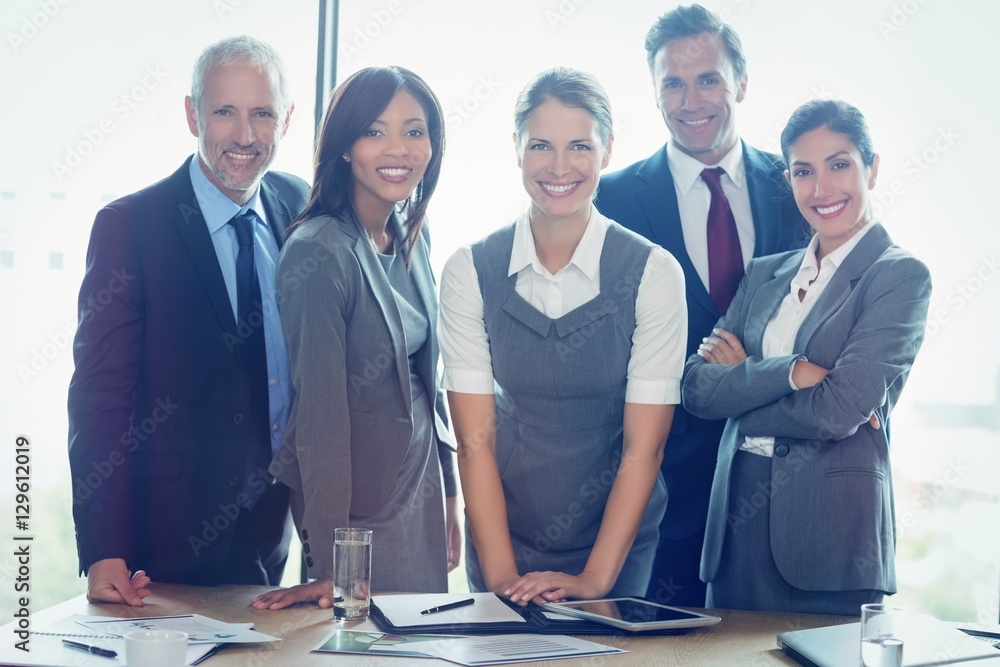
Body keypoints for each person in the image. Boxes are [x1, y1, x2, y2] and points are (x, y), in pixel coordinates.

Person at [68, 36, 308, 605]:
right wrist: (104, 549)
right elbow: (99, 397)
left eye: (262, 113)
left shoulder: (298, 206)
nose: (245, 136)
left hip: (270, 534)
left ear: (287, 119)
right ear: (192, 113)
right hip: (164, 540)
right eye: (225, 111)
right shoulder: (131, 225)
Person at [439, 67, 686, 605]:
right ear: (517, 149)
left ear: (608, 150)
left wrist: (595, 580)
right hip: (503, 532)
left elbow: (645, 449)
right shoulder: (469, 271)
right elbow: (473, 445)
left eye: (579, 146)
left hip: (613, 545)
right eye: (540, 146)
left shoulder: (653, 273)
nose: (558, 166)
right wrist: (504, 579)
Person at [593, 3, 806, 607]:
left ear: (740, 82)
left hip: (778, 479)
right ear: (654, 92)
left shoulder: (798, 189)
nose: (691, 100)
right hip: (656, 489)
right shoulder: (608, 202)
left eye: (708, 78)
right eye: (673, 83)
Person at [683, 99, 932, 614]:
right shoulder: (764, 274)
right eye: (803, 171)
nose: (821, 190)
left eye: (839, 164)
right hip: (733, 539)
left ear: (872, 167)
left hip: (832, 537)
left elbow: (840, 409)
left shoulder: (899, 276)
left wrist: (742, 385)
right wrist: (792, 371)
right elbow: (696, 390)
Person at [251, 66, 459, 611]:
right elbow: (318, 417)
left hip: (420, 490)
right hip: (357, 518)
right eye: (375, 130)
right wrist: (330, 558)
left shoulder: (412, 229)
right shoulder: (319, 251)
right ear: (344, 146)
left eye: (415, 131)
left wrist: (452, 491)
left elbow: (427, 378)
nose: (399, 148)